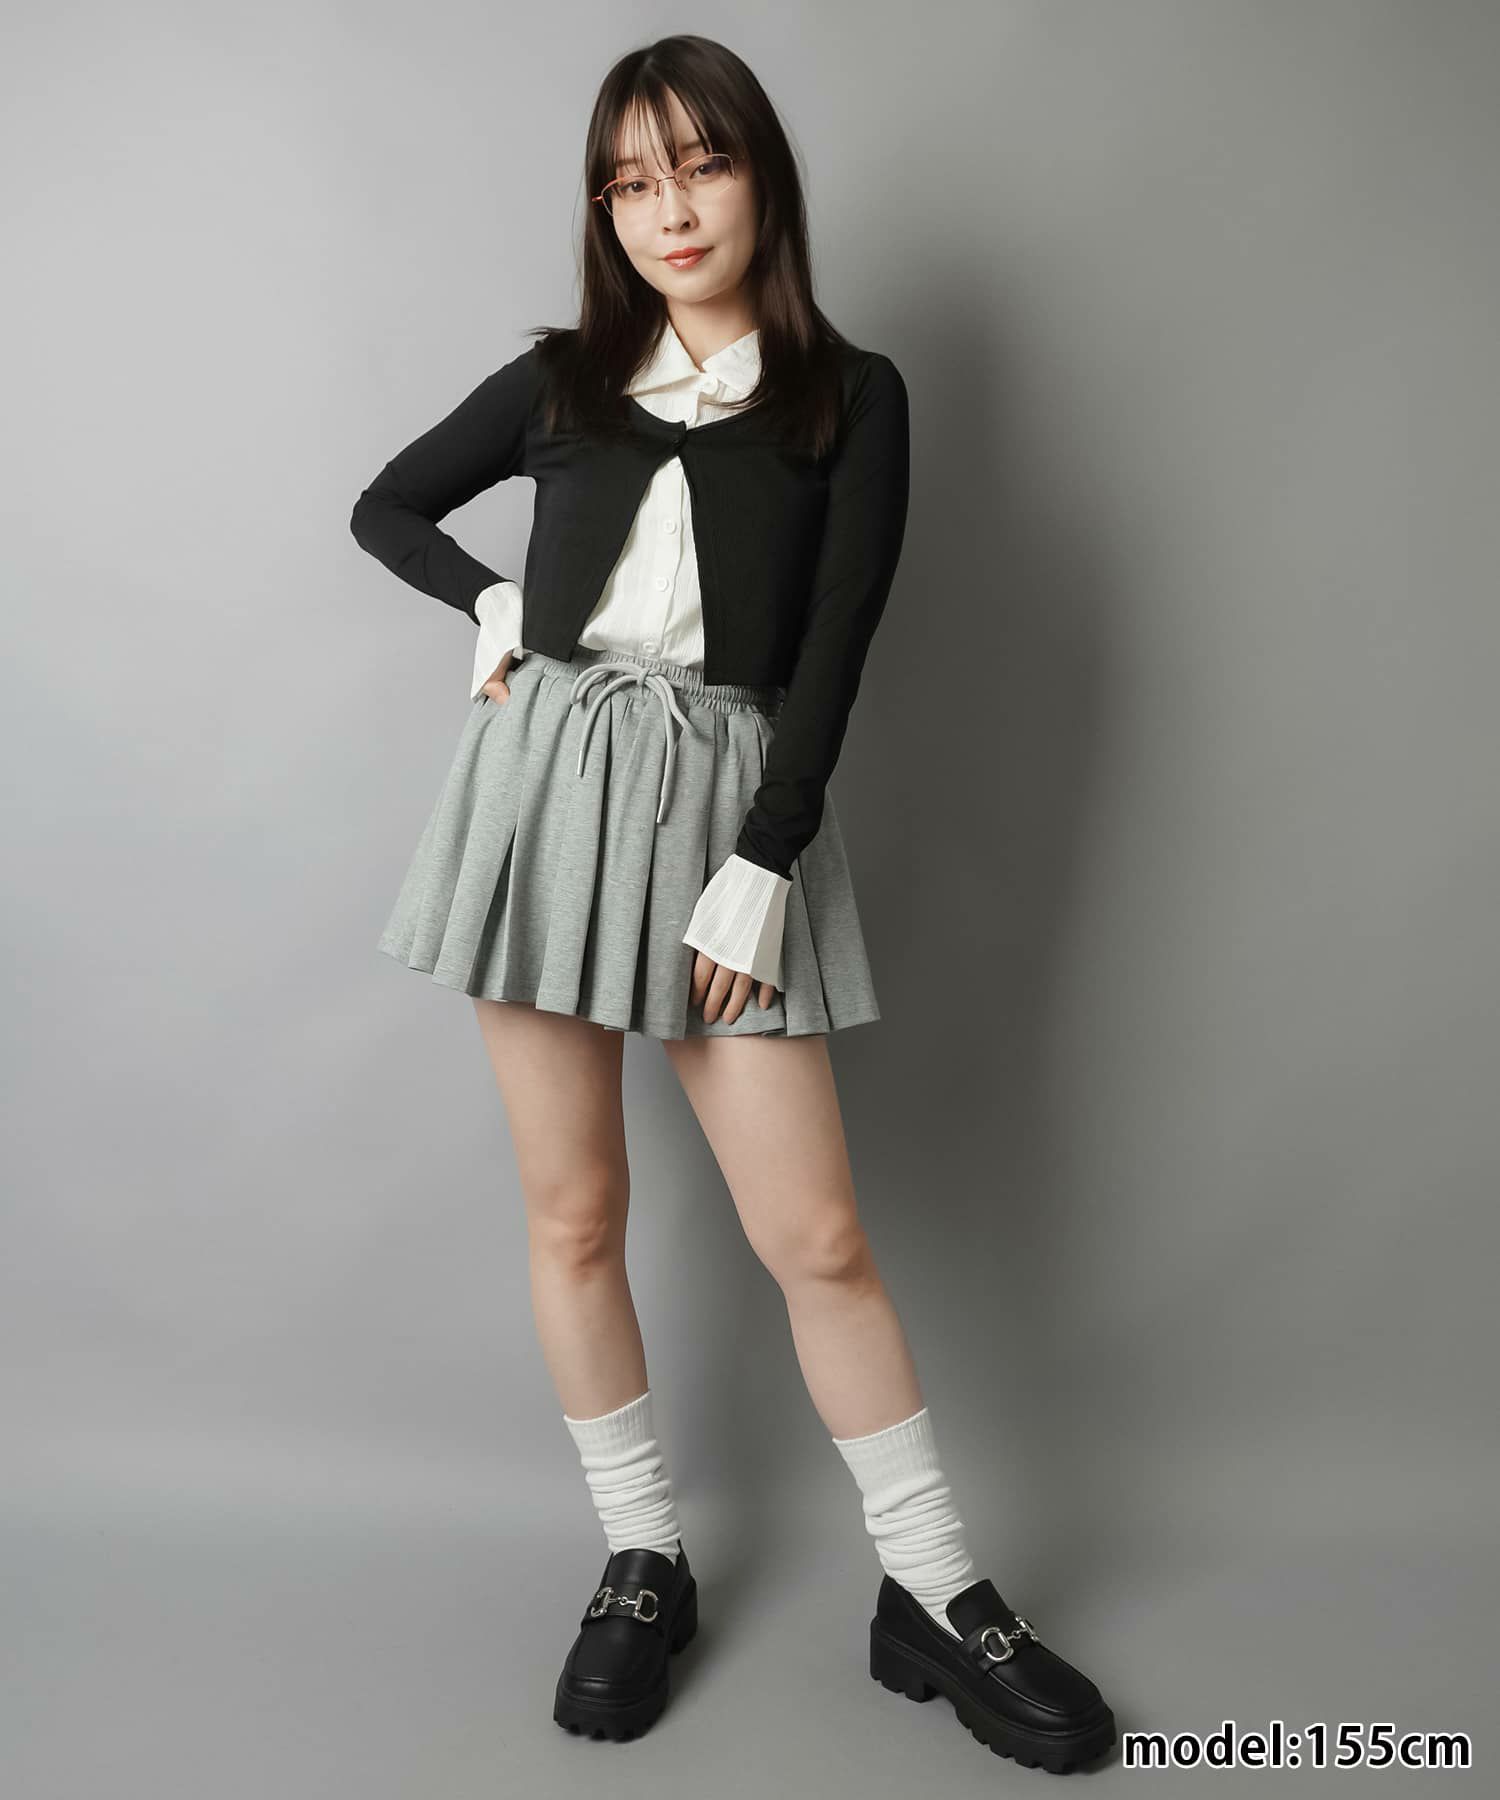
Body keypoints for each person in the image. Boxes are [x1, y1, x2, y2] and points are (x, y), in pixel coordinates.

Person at [350, 33, 1115, 1775]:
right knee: (575, 1215)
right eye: (629, 182)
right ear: (603, 211)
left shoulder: (851, 395)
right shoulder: (560, 382)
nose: (668, 209)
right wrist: (490, 605)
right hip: (545, 790)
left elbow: (837, 649)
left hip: (733, 806)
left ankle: (934, 1591)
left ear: (763, 176)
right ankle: (644, 1557)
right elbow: (388, 506)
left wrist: (766, 859)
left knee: (818, 1238)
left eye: (699, 165)